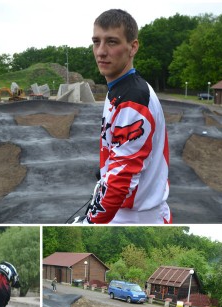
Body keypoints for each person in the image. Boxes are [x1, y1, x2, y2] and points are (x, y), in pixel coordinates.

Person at [85, 9, 171, 224]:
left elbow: (120, 181)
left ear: (133, 47)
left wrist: (91, 223)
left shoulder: (133, 99)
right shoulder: (118, 88)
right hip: (129, 211)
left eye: (112, 42)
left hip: (135, 217)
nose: (101, 51)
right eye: (96, 42)